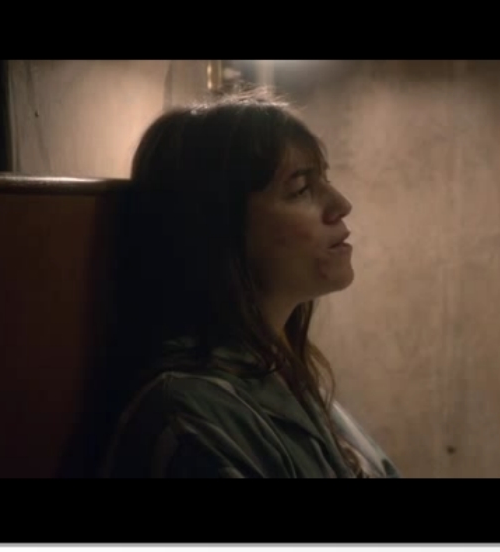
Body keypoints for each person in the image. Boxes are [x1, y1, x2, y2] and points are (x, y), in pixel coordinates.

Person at [99, 92, 400, 478]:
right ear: (217, 228)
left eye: (324, 180)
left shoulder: (287, 376)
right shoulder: (191, 418)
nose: (341, 205)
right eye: (300, 189)